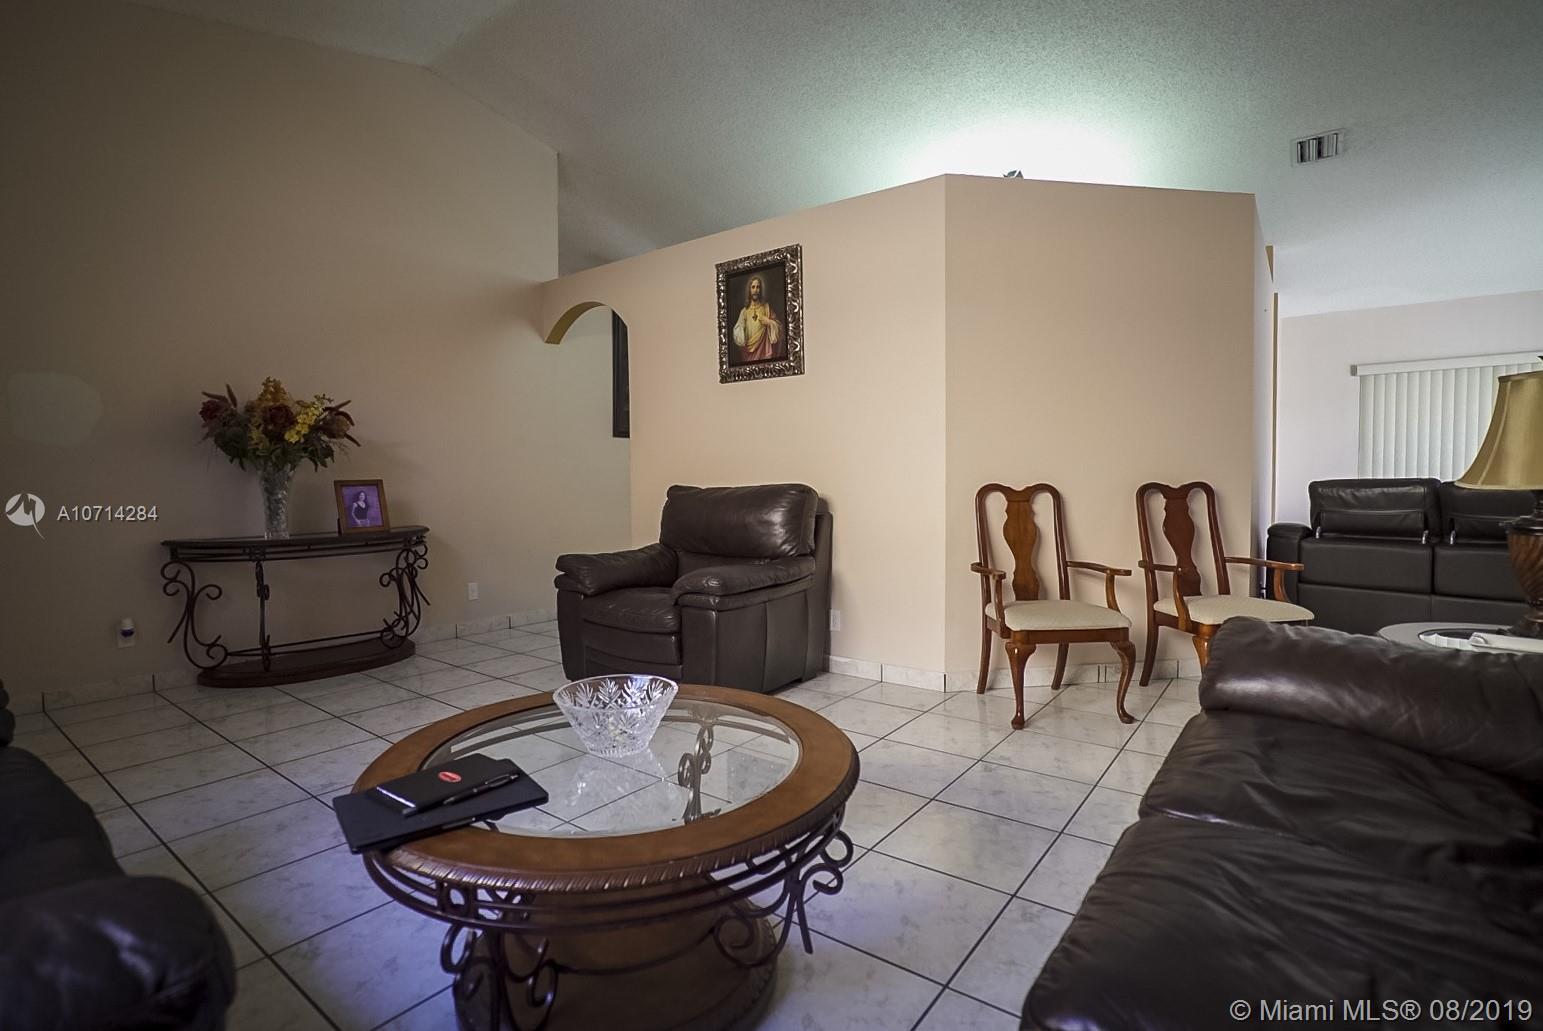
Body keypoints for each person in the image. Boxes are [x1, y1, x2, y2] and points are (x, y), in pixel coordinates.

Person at [730, 275, 784, 362]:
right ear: (749, 290)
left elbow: (780, 328)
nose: (755, 290)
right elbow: (737, 333)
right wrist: (741, 330)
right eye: (753, 287)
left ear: (760, 290)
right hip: (748, 354)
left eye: (758, 287)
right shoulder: (744, 312)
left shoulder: (766, 308)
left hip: (764, 351)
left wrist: (769, 322)